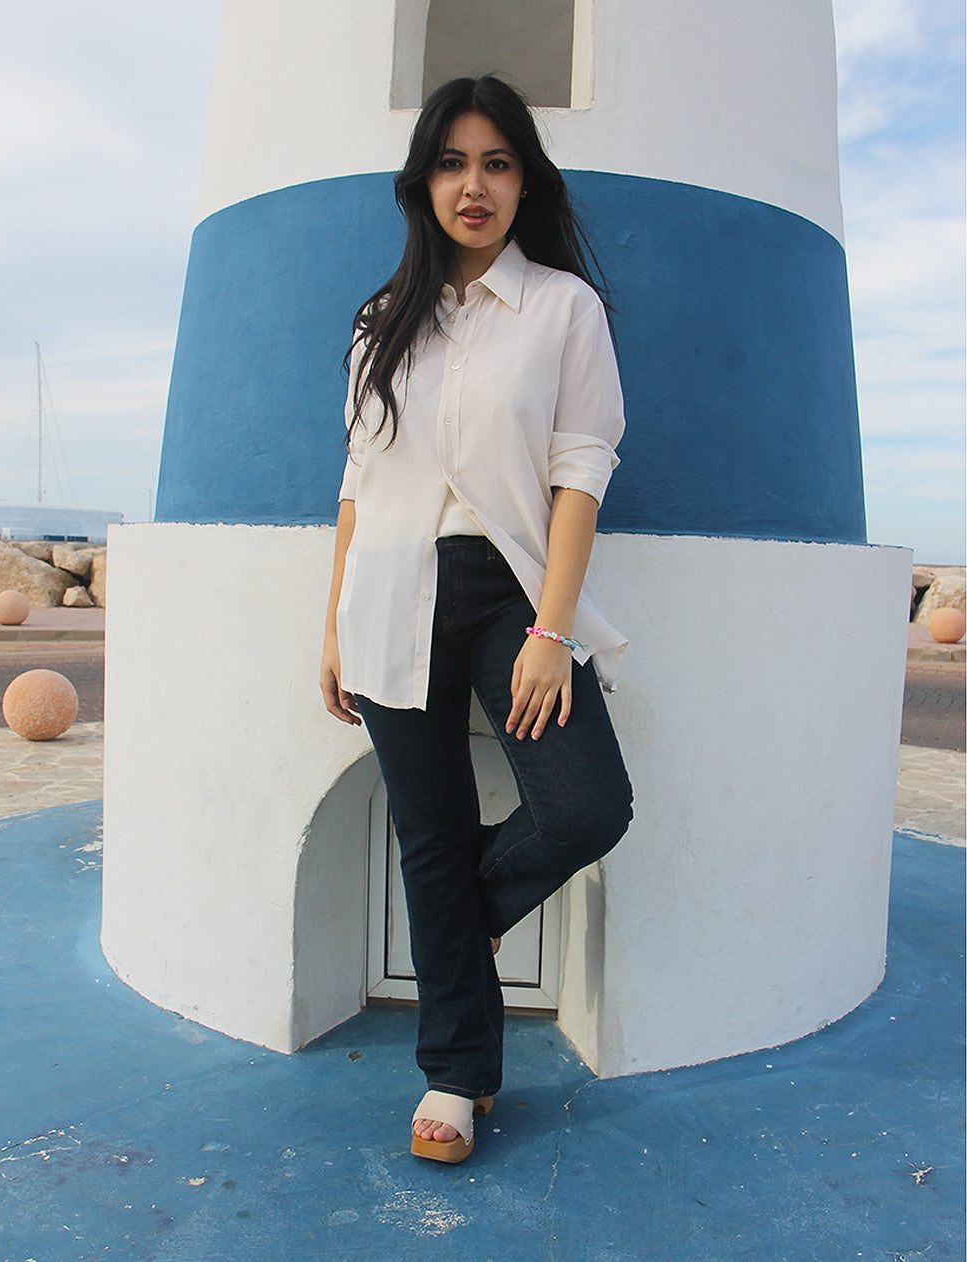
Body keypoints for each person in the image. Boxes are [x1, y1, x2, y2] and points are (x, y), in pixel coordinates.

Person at [320, 75, 633, 1164]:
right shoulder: (379, 322)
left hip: (509, 590)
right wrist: (333, 626)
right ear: (423, 182)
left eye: (497, 163)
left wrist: (551, 631)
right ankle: (456, 1074)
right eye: (452, 163)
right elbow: (357, 484)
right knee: (430, 831)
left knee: (586, 805)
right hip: (388, 589)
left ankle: (460, 923)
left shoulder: (563, 309)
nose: (474, 185)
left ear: (524, 182)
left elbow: (579, 472)